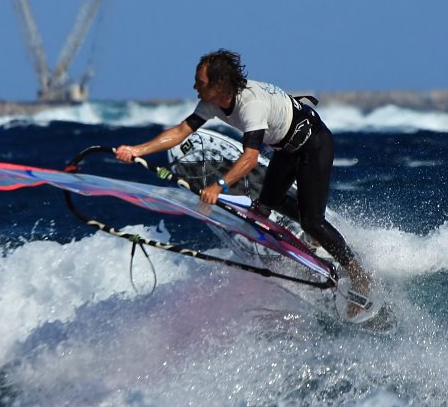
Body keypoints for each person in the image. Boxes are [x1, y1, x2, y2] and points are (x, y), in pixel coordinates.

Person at [115, 49, 372, 297]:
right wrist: (137, 149)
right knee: (267, 204)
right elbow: (181, 131)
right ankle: (312, 238)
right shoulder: (213, 102)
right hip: (286, 148)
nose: (195, 87)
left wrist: (217, 186)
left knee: (312, 222)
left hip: (313, 144)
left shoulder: (251, 105)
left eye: (200, 82)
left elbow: (249, 158)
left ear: (219, 85)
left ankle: (359, 275)